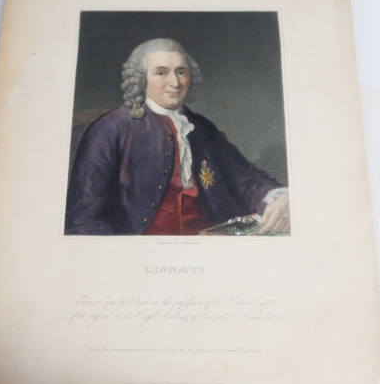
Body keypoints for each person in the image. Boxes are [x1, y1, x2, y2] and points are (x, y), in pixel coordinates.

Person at [65, 38, 290, 236]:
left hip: (209, 243)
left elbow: (244, 177)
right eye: (161, 72)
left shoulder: (202, 128)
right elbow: (85, 218)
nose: (175, 82)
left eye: (181, 72)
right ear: (141, 79)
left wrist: (276, 197)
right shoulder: (110, 128)